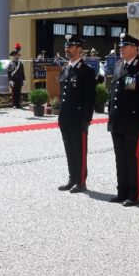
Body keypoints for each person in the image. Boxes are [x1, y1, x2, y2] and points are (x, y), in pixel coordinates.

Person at [107, 33, 139, 206]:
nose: (121, 49)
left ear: (134, 48)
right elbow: (113, 94)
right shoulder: (118, 66)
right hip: (118, 121)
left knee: (133, 157)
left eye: (124, 46)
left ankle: (136, 194)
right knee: (120, 158)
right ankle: (122, 191)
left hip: (134, 123)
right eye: (120, 47)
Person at [57, 34, 96, 193]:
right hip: (65, 118)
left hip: (79, 119)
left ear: (79, 49)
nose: (67, 49)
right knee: (69, 150)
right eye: (66, 46)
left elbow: (90, 98)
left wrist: (86, 119)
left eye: (71, 46)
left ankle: (81, 181)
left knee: (79, 151)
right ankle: (72, 178)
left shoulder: (86, 71)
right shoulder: (66, 68)